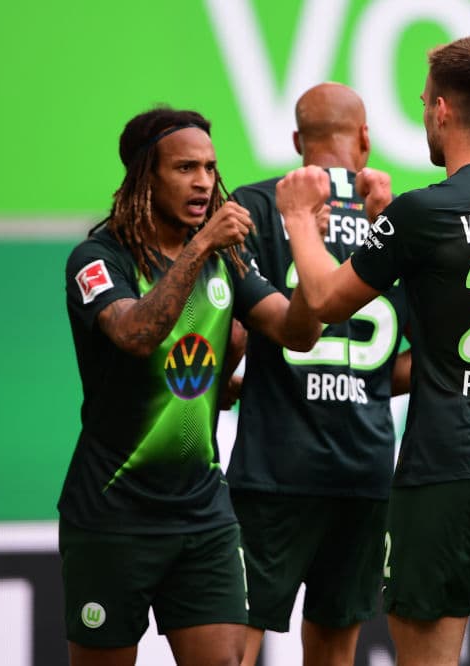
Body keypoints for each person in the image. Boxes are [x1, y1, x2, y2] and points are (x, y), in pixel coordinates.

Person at [277, 35, 470, 666]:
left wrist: (302, 220)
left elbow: (328, 301)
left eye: (421, 104)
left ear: (440, 110)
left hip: (449, 468)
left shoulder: (424, 212)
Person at [60, 107, 321, 666]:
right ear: (144, 178)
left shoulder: (228, 259)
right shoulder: (98, 259)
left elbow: (298, 332)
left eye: (210, 167)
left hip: (202, 511)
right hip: (112, 513)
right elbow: (136, 334)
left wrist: (305, 247)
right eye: (185, 168)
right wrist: (201, 247)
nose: (204, 181)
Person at [225, 82, 409, 666]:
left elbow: (232, 326)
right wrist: (373, 380)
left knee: (238, 640)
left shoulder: (257, 206)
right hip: (365, 466)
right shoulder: (399, 220)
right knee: (334, 649)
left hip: (275, 467)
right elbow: (432, 353)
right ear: (365, 139)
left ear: (298, 141)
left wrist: (231, 379)